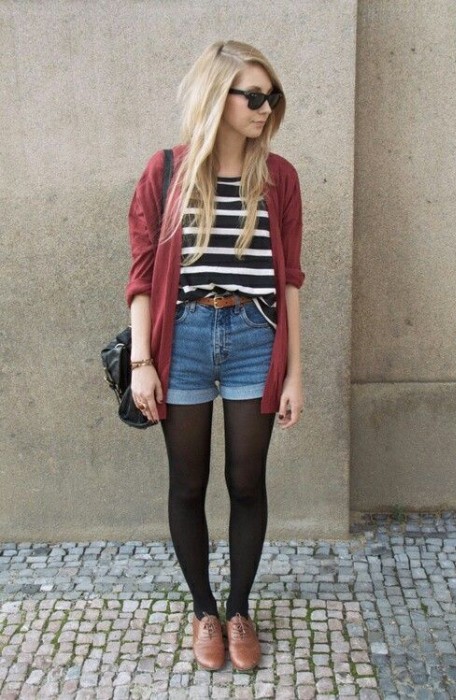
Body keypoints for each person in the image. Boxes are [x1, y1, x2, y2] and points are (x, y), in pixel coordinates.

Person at [125, 40, 304, 672]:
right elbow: (142, 276)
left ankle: (239, 609)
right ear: (216, 97)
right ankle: (203, 609)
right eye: (252, 95)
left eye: (270, 96)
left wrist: (296, 372)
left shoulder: (278, 176)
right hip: (187, 339)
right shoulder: (166, 173)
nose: (265, 106)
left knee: (247, 482)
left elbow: (289, 282)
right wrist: (142, 361)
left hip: (256, 336)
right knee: (188, 484)